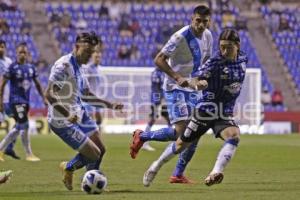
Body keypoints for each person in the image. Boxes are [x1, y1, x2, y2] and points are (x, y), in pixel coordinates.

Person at [143, 29, 248, 187]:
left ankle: (215, 172)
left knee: (234, 136)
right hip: (205, 111)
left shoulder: (243, 59)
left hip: (224, 112)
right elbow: (198, 77)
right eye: (222, 47)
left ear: (238, 45)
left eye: (229, 47)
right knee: (181, 145)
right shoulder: (215, 62)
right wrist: (198, 83)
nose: (224, 51)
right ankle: (155, 166)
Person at [130, 5, 213, 184]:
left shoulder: (208, 36)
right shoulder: (179, 37)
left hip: (193, 87)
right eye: (198, 21)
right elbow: (159, 59)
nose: (200, 25)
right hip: (174, 87)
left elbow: (205, 62)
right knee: (181, 132)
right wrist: (177, 77)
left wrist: (202, 79)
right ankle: (142, 136)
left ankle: (177, 174)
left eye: (204, 22)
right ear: (192, 19)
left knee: (196, 132)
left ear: (209, 21)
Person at [45, 32, 123, 191]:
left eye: (92, 52)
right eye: (87, 52)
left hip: (79, 113)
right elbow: (49, 94)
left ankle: (92, 182)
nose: (89, 56)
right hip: (62, 121)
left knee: (101, 150)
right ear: (76, 47)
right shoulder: (64, 67)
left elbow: (86, 95)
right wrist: (67, 113)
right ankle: (69, 167)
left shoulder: (80, 67)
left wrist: (110, 105)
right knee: (93, 154)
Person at [0, 42, 47, 162]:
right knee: (24, 125)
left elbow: (37, 84)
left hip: (26, 102)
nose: (22, 54)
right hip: (15, 101)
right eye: (20, 52)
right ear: (16, 53)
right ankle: (29, 154)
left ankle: (1, 150)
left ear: (27, 54)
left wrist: (43, 98)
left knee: (19, 126)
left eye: (24, 52)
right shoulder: (12, 67)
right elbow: (2, 84)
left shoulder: (31, 68)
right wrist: (0, 101)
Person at [142, 67, 171, 152]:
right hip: (157, 101)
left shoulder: (164, 72)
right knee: (152, 120)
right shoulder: (156, 73)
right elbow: (156, 89)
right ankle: (144, 142)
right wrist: (158, 101)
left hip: (163, 100)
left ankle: (172, 142)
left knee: (170, 119)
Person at [0, 40, 19, 159]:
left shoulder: (9, 62)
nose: (1, 49)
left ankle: (9, 147)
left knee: (20, 123)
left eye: (2, 46)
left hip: (8, 99)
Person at [81, 46, 103, 129]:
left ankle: (97, 130)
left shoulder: (100, 69)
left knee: (99, 119)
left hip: (98, 97)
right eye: (96, 57)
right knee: (91, 118)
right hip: (90, 97)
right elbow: (85, 82)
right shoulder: (88, 68)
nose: (97, 59)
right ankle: (93, 133)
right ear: (92, 57)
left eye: (99, 57)